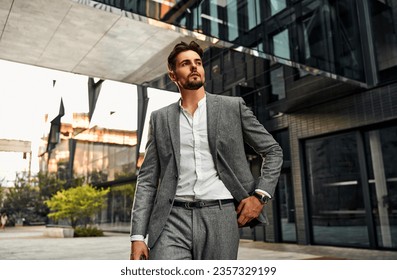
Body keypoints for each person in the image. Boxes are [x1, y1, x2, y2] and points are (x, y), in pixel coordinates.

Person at [130, 41, 283, 260]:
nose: (194, 67)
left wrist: (260, 197)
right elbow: (147, 179)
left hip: (220, 216)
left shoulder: (233, 107)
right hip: (171, 219)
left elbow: (273, 151)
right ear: (173, 75)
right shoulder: (160, 118)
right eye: (185, 63)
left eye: (198, 62)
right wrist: (137, 236)